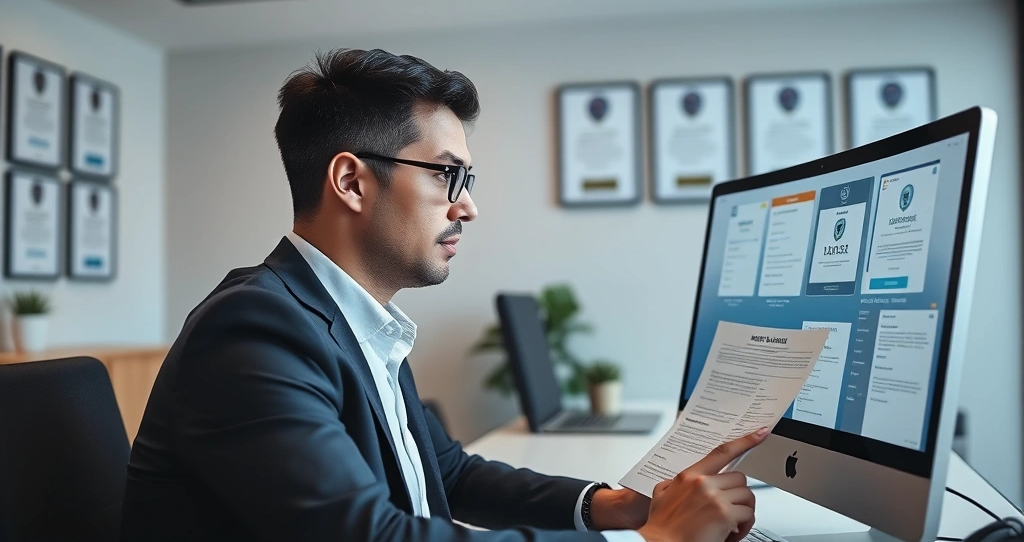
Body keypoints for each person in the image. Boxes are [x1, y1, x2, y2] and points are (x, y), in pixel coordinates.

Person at [120, 48, 767, 542]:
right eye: (447, 175)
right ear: (350, 181)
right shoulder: (255, 331)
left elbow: (448, 473)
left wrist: (619, 506)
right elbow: (377, 536)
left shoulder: (352, 321)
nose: (469, 207)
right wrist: (659, 539)